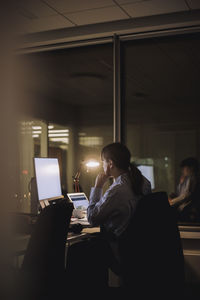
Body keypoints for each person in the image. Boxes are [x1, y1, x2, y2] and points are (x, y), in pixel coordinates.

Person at [66, 143, 151, 290]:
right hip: (138, 250)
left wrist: (98, 186)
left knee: (76, 250)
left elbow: (92, 218)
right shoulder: (144, 182)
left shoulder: (118, 190)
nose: (102, 165)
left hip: (119, 250)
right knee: (93, 244)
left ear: (110, 163)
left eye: (102, 162)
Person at [169, 157, 200, 222]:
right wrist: (181, 183)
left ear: (191, 168)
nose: (182, 170)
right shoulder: (187, 178)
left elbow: (186, 195)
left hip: (188, 209)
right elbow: (180, 193)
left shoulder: (193, 177)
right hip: (183, 208)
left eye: (184, 168)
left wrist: (172, 202)